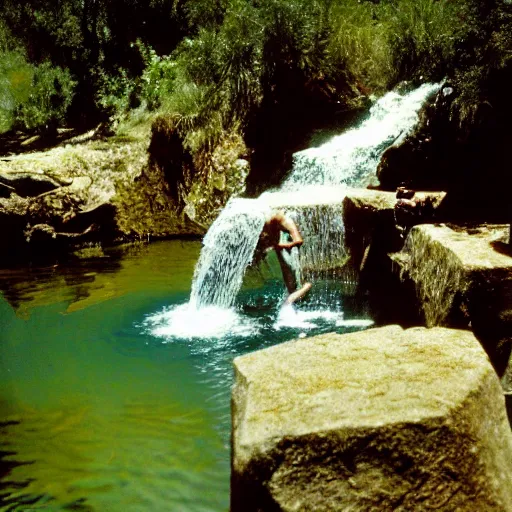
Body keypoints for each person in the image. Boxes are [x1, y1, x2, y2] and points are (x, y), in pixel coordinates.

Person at [258, 211, 312, 305]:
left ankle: (306, 287)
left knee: (292, 286)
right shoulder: (264, 224)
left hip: (288, 247)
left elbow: (298, 241)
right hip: (280, 245)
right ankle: (296, 296)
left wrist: (280, 246)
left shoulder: (285, 221)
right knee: (290, 285)